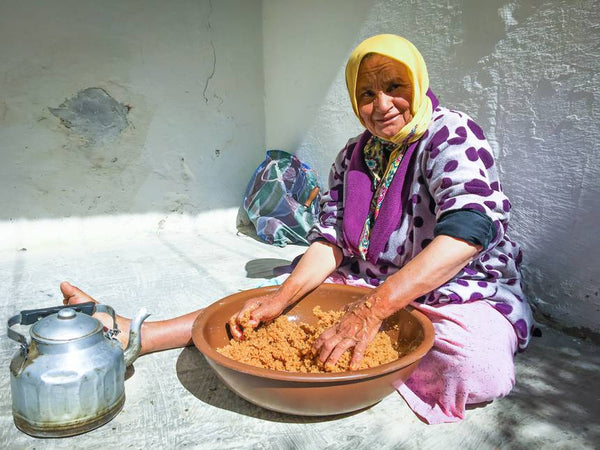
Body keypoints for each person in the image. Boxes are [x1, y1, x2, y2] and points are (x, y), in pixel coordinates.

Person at [62, 34, 534, 424]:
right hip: (367, 279)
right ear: (354, 100)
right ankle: (137, 334)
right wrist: (280, 298)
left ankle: (390, 347)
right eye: (366, 94)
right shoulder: (354, 155)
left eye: (395, 86)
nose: (382, 105)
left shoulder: (451, 133)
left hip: (457, 287)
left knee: (478, 370)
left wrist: (370, 311)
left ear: (417, 81)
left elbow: (470, 229)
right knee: (261, 311)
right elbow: (330, 241)